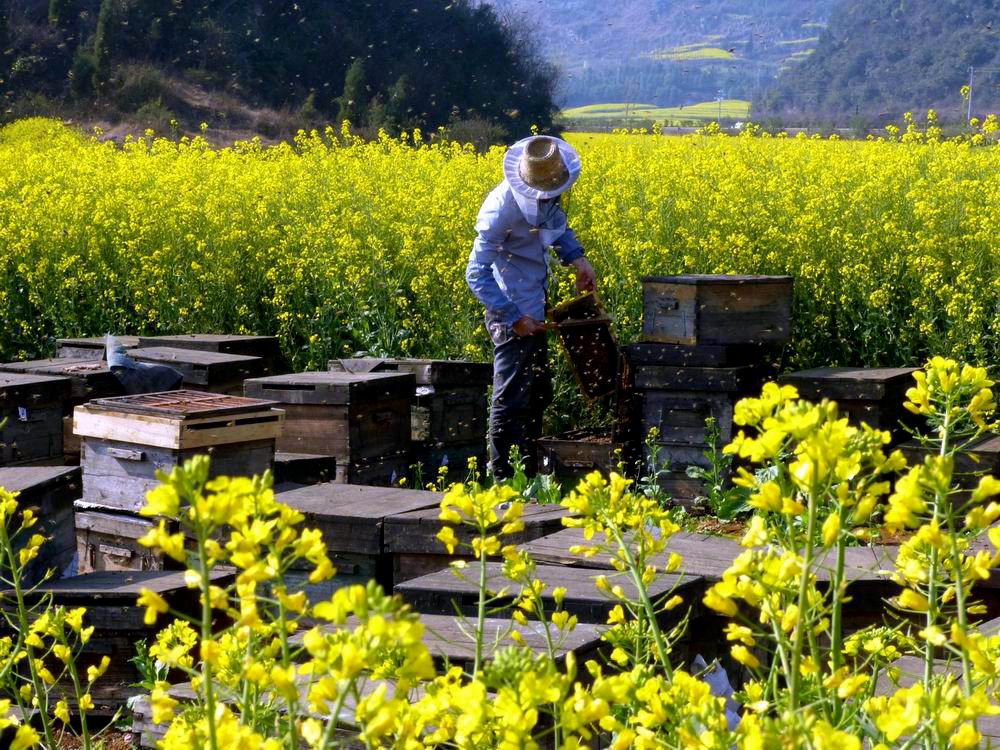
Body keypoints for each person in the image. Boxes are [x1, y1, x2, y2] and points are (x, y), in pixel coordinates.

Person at [466, 135, 597, 479]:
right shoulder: (500, 210)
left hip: (535, 306)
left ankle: (529, 474)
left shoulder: (544, 198)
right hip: (511, 313)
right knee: (510, 398)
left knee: (538, 392)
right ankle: (503, 479)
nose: (555, 196)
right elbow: (475, 274)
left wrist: (579, 260)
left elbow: (556, 226)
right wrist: (513, 318)